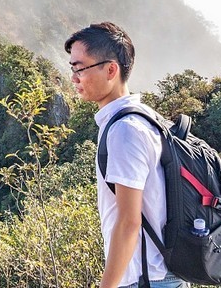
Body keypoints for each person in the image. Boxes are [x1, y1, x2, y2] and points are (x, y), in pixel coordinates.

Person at [65, 22, 187, 288]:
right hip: (160, 277)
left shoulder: (124, 131)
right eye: (71, 68)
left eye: (79, 68)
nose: (74, 78)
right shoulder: (144, 119)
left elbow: (129, 222)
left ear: (111, 69)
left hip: (146, 279)